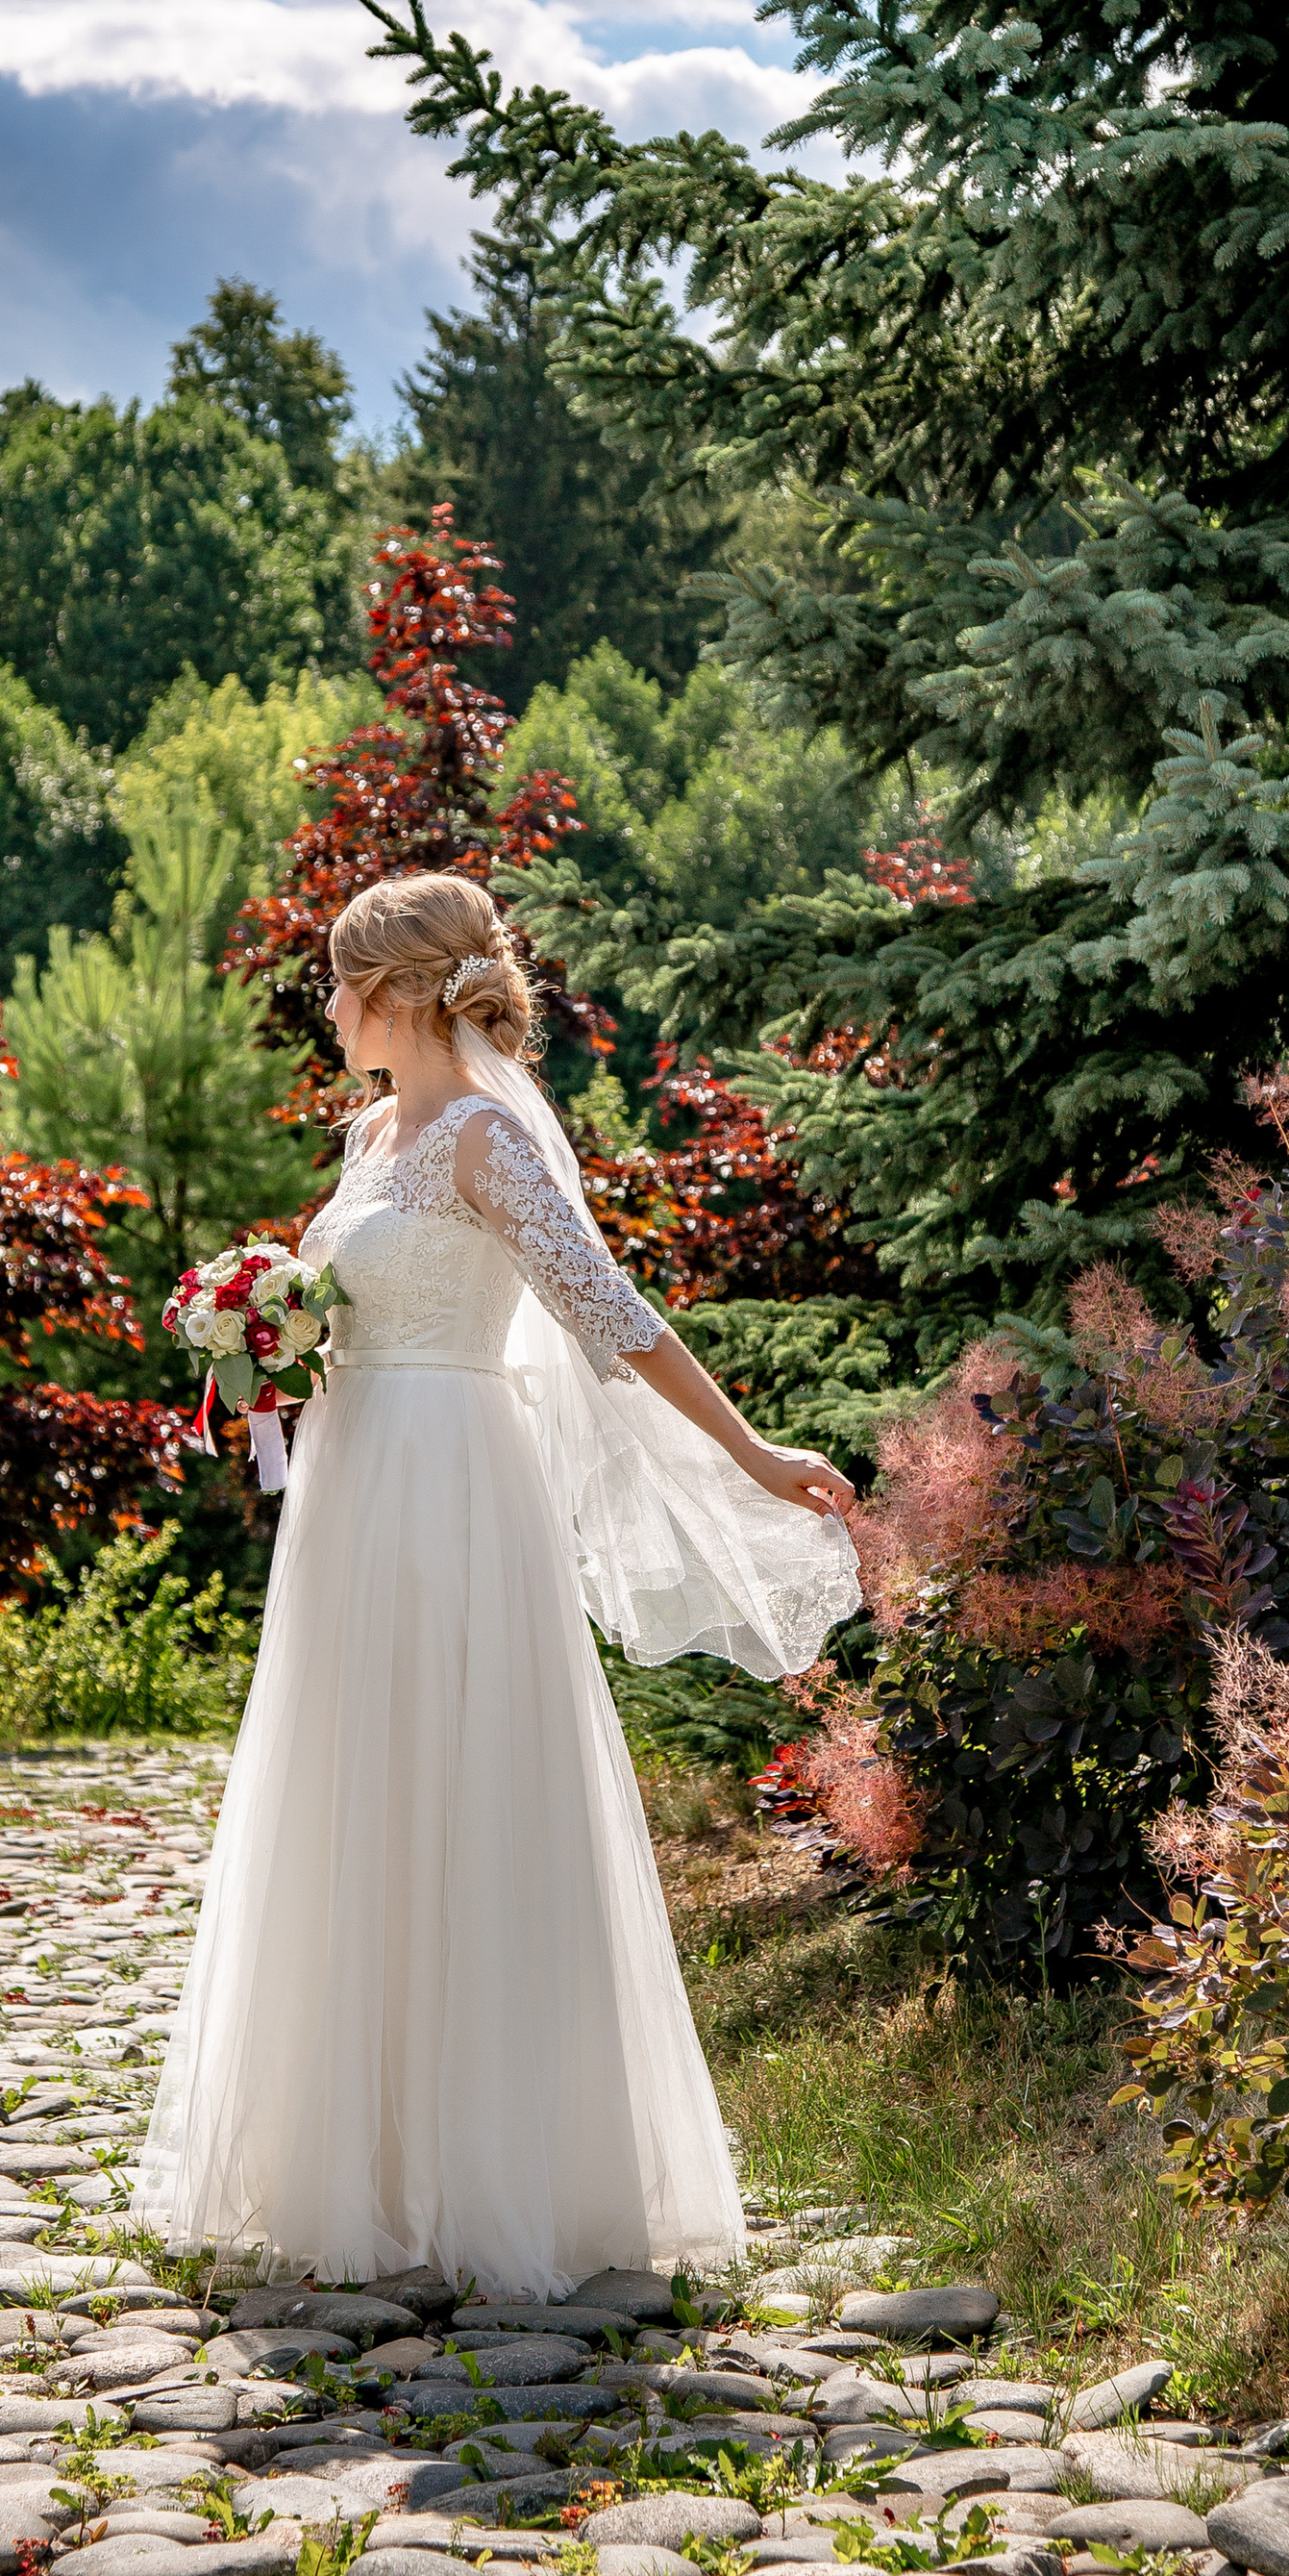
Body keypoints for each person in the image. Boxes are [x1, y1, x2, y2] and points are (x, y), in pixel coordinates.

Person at [134, 870, 863, 2299]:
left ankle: (497, 2173)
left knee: (464, 1788)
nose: (329, 1005)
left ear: (403, 992)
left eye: (343, 982)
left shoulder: (478, 1135)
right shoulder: (368, 1133)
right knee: (357, 1795)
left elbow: (608, 1312)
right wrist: (269, 1345)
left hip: (456, 1483)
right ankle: (364, 2166)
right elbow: (354, 1301)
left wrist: (754, 1450)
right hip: (348, 1491)